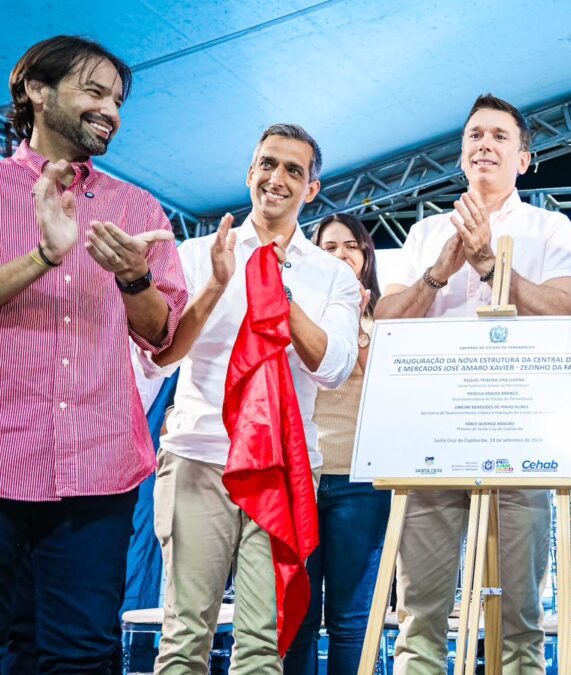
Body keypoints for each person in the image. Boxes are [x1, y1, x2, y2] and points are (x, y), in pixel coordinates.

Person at [376, 93, 571, 674]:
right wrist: (443, 268)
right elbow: (385, 326)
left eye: (499, 136)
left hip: (521, 438)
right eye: (474, 136)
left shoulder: (548, 227)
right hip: (431, 440)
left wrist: (493, 266)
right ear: (462, 154)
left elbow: (567, 313)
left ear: (523, 158)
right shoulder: (424, 233)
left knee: (518, 617)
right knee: (419, 615)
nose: (484, 144)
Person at [0, 35, 188, 672]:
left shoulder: (136, 208)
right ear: (34, 90)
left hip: (96, 470)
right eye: (94, 90)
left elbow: (163, 336)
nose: (111, 109)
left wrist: (135, 277)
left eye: (118, 99)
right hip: (3, 459)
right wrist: (43, 258)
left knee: (81, 655)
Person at [147, 124, 360, 673]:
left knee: (262, 645)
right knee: (185, 633)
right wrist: (220, 283)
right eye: (268, 163)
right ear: (249, 174)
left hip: (286, 468)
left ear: (311, 189)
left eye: (294, 170)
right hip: (198, 457)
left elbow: (334, 368)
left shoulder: (333, 275)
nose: (277, 178)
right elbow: (161, 355)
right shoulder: (197, 255)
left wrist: (278, 293)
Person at [283, 212, 384, 675]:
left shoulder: (386, 321)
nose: (341, 255)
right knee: (297, 615)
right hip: (300, 474)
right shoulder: (295, 311)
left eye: (351, 247)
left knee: (351, 620)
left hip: (359, 483)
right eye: (329, 248)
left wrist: (358, 316)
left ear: (366, 257)